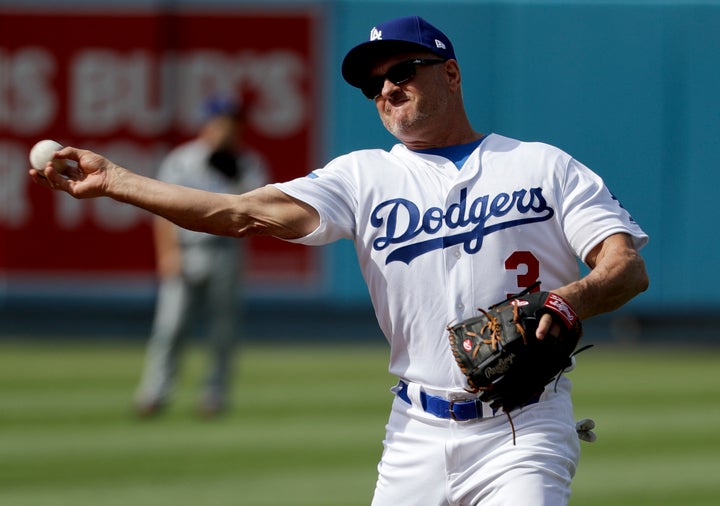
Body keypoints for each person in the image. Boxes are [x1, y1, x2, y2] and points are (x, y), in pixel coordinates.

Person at [31, 15, 648, 505]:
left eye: (402, 69)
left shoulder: (541, 164)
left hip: (524, 427)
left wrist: (572, 298)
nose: (386, 89)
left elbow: (625, 267)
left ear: (452, 74)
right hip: (416, 432)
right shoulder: (361, 176)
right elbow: (238, 212)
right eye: (371, 83)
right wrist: (114, 179)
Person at [134, 96, 269, 417]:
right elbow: (162, 211)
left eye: (232, 123)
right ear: (207, 124)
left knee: (224, 330)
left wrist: (234, 177)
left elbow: (259, 212)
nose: (227, 128)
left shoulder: (247, 163)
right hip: (187, 250)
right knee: (170, 327)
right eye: (221, 121)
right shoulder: (181, 160)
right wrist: (167, 253)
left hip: (227, 252)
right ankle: (155, 392)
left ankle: (214, 395)